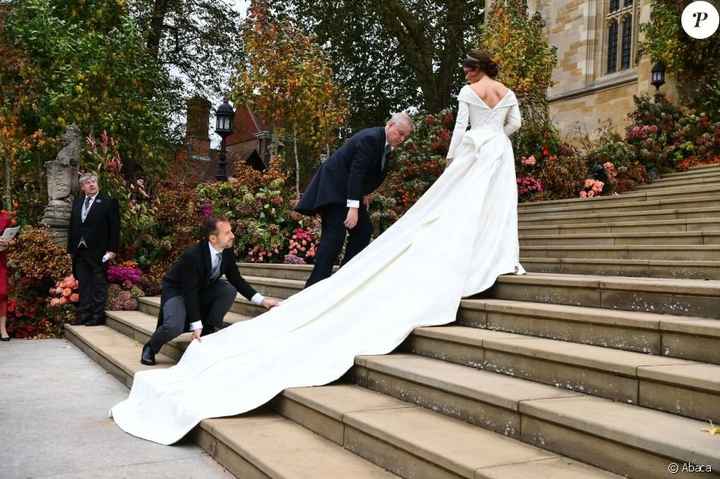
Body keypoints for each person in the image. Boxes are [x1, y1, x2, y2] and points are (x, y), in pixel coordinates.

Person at [111, 50, 525, 445]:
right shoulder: (494, 97)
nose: (399, 142)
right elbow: (513, 127)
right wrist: (352, 202)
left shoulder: (468, 94)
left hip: (465, 157)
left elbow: (455, 135)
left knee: (363, 235)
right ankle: (320, 286)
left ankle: (346, 274)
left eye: (468, 70)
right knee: (339, 239)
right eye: (400, 136)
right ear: (393, 128)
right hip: (409, 176)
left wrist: (455, 162)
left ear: (475, 69)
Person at [140, 216, 281, 366]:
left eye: (231, 231)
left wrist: (262, 300)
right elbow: (190, 291)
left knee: (227, 289)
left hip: (201, 288)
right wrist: (196, 324)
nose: (232, 236)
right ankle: (151, 347)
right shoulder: (192, 256)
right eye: (227, 233)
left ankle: (210, 328)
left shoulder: (226, 251)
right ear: (213, 238)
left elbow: (236, 279)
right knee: (174, 326)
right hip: (178, 291)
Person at [296, 113, 414, 287]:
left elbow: (369, 172)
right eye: (400, 133)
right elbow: (356, 172)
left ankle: (342, 279)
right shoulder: (371, 138)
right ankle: (314, 288)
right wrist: (353, 207)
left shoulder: (385, 145)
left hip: (348, 192)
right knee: (334, 237)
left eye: (405, 136)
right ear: (389, 125)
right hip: (334, 191)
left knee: (363, 231)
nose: (402, 138)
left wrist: (364, 193)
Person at [68, 174, 120, 326]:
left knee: (98, 284)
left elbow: (115, 228)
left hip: (99, 251)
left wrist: (112, 250)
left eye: (93, 182)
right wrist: (70, 249)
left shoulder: (108, 202)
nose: (91, 184)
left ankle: (97, 317)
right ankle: (83, 315)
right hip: (79, 251)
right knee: (84, 284)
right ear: (82, 187)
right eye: (87, 183)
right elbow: (73, 227)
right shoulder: (77, 203)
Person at [0, 210, 13, 341]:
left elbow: (12, 238)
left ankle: (3, 329)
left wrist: (8, 243)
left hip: (0, 260)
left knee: (2, 294)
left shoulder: (5, 217)